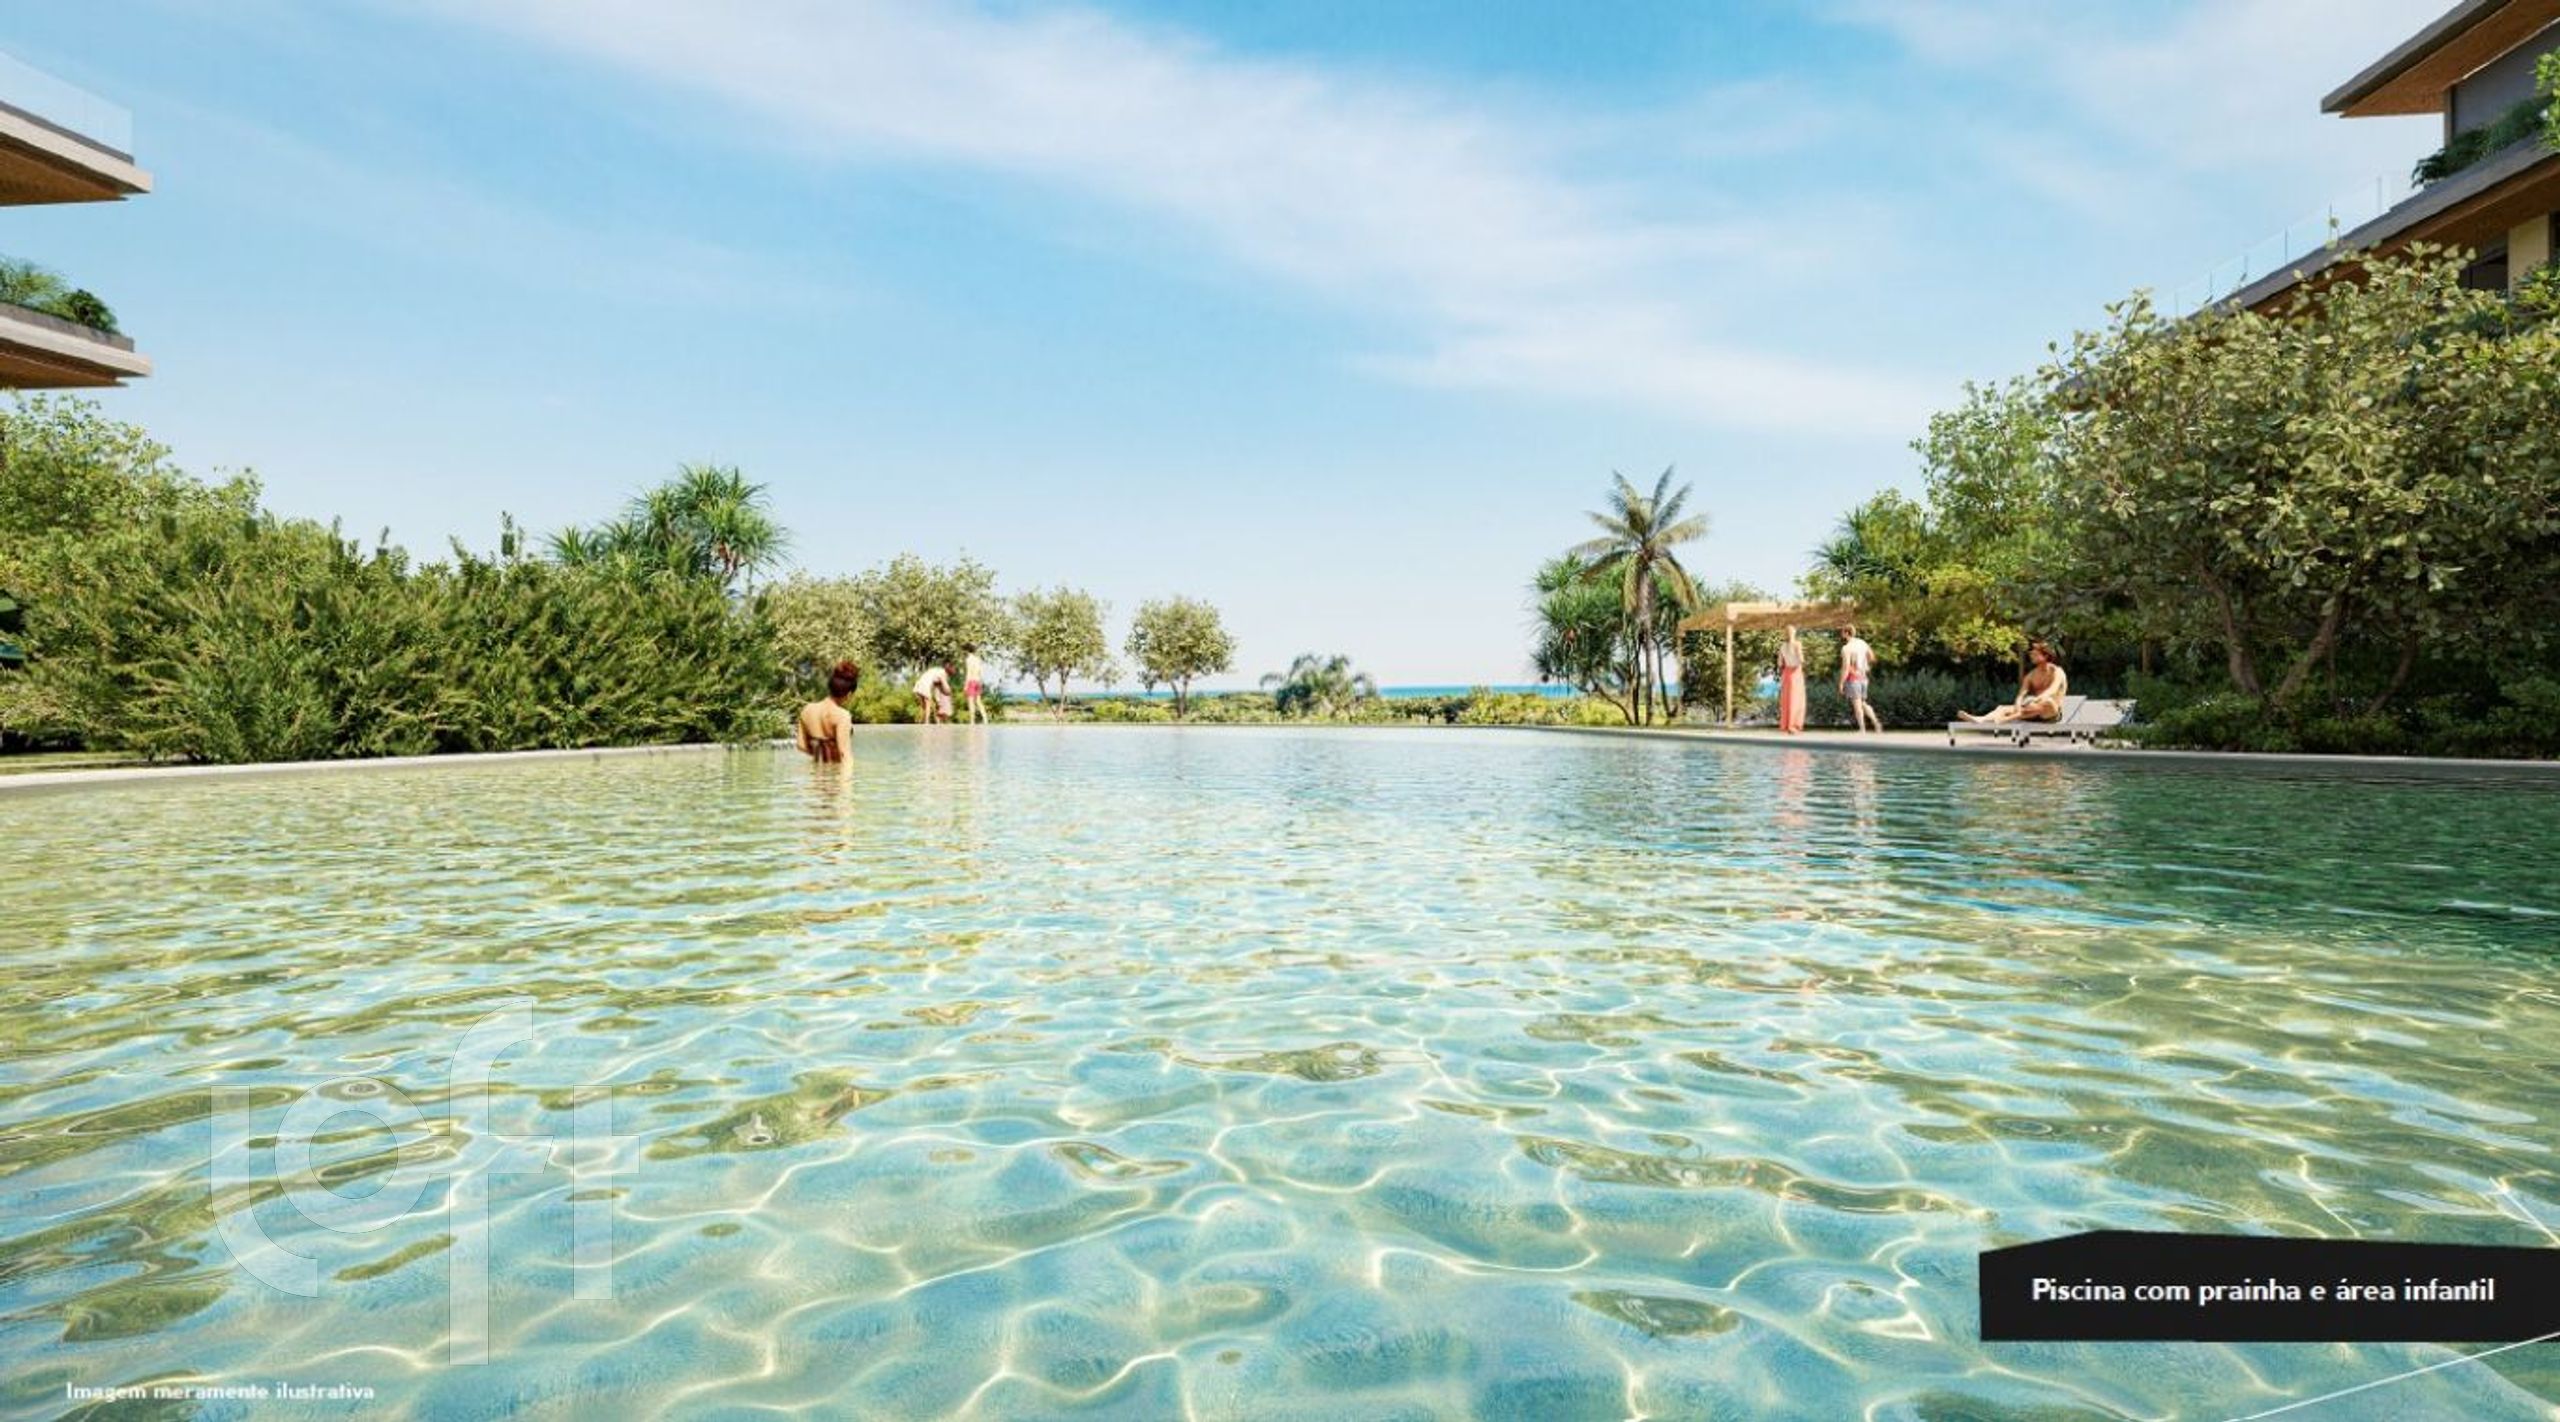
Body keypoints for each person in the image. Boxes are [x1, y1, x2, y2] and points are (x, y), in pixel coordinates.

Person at [1959, 640, 2069, 724]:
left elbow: (2052, 690)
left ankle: (2007, 719)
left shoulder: (2057, 672)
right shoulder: (2031, 675)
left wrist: (2035, 700)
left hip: (2050, 714)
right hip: (2031, 711)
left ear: (2045, 656)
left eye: (2035, 654)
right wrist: (2018, 704)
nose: (2031, 656)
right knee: (2002, 708)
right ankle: (1981, 719)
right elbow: (2021, 694)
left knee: (2048, 701)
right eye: (2031, 654)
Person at [796, 660, 859, 762]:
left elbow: (801, 745)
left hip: (816, 770)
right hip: (838, 770)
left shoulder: (807, 710)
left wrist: (822, 756)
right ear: (849, 694)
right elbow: (844, 754)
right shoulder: (842, 716)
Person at [1838, 622, 1882, 734]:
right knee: (1863, 702)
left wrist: (1841, 683)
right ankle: (1876, 722)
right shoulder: (1862, 643)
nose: (1841, 634)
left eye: (1842, 632)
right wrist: (1866, 665)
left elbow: (1846, 667)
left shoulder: (1846, 648)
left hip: (1853, 678)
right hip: (1863, 677)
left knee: (1857, 704)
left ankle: (1862, 729)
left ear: (1846, 633)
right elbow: (1872, 656)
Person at [1777, 625, 1806, 735]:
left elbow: (1780, 663)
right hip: (1796, 672)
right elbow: (1801, 659)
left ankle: (1785, 725)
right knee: (1797, 700)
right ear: (1794, 633)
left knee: (1787, 699)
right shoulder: (1797, 644)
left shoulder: (1782, 646)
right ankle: (1793, 726)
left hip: (1786, 673)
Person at [962, 645, 989, 724]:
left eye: (964, 650)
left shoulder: (968, 659)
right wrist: (980, 681)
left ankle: (972, 721)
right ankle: (985, 719)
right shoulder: (977, 659)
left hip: (971, 681)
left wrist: (966, 685)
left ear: (967, 650)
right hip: (978, 681)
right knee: (978, 701)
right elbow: (980, 671)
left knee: (971, 702)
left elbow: (969, 672)